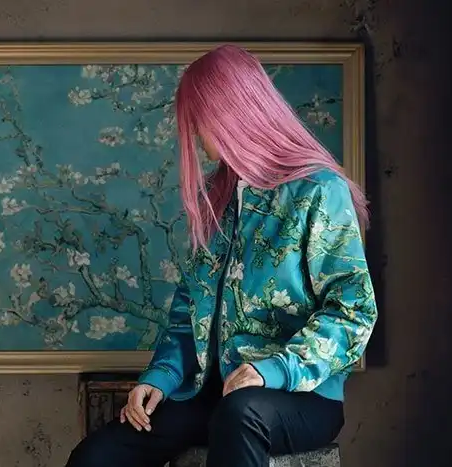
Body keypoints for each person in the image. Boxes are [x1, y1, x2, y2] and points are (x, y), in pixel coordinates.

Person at [65, 44, 378, 467]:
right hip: (215, 392)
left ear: (233, 112)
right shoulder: (218, 197)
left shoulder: (319, 191)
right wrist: (161, 377)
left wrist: (274, 370)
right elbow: (188, 310)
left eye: (200, 119)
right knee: (99, 454)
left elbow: (353, 310)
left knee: (240, 413)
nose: (195, 133)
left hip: (300, 396)